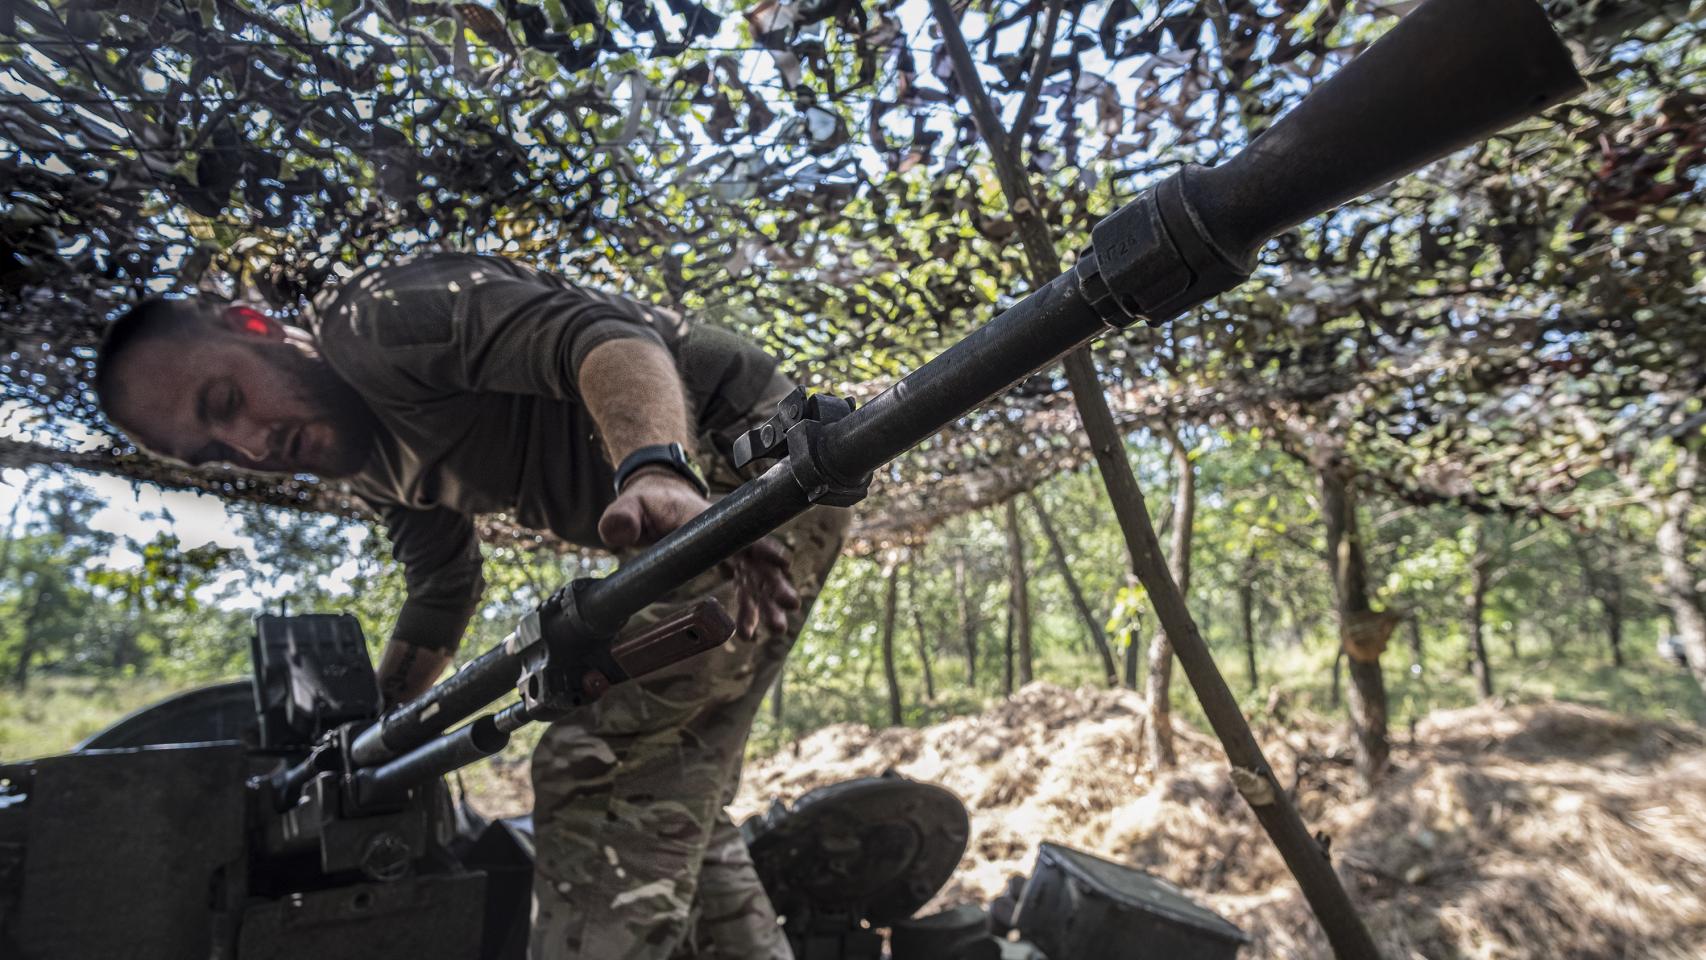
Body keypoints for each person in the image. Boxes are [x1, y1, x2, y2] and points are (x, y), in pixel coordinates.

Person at [93, 252, 849, 959]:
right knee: (671, 787)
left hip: (746, 459)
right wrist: (376, 726)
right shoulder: (363, 458)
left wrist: (656, 468)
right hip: (694, 500)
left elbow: (603, 335)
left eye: (226, 401)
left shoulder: (373, 321)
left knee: (599, 770)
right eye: (216, 452)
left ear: (252, 325)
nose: (253, 448)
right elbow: (442, 584)